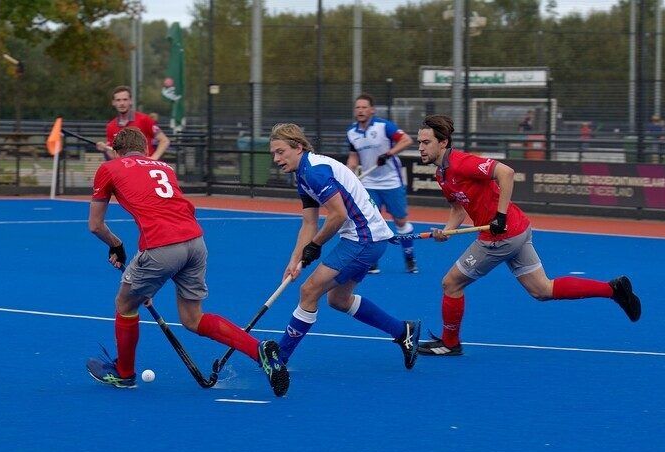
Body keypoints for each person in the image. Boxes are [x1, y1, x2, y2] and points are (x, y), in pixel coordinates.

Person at [415, 115, 642, 356]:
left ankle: (450, 343)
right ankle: (614, 289)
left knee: (451, 283)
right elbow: (458, 208)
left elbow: (506, 173)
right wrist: (447, 231)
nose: (420, 147)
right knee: (542, 290)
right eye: (419, 142)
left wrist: (500, 216)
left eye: (426, 142)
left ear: (443, 143)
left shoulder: (462, 163)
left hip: (501, 236)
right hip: (518, 229)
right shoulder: (442, 174)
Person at [86, 127, 289, 396]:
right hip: (195, 242)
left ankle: (124, 373)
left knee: (125, 304)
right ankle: (258, 349)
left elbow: (96, 226)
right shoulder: (164, 167)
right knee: (193, 318)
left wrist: (116, 245)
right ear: (146, 149)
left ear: (116, 151)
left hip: (161, 247)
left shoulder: (110, 167)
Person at [269, 123, 421, 368]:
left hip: (364, 238)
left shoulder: (315, 171)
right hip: (364, 238)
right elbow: (309, 223)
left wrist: (316, 245)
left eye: (280, 151)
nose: (276, 159)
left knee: (309, 291)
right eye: (273, 154)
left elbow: (337, 215)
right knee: (338, 300)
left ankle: (280, 358)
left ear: (297, 147)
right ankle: (403, 331)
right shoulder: (303, 174)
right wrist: (294, 260)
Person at [346, 93, 417, 274]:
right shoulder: (352, 133)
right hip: (369, 184)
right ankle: (372, 262)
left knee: (401, 222)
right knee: (371, 222)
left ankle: (409, 258)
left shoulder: (384, 126)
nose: (360, 110)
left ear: (372, 110)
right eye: (358, 107)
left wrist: (389, 154)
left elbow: (407, 140)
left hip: (391, 182)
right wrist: (348, 175)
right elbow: (354, 158)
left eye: (364, 107)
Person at [96, 86, 170, 161]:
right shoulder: (111, 126)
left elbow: (164, 140)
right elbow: (114, 156)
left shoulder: (144, 119)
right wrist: (105, 149)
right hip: (126, 169)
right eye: (118, 100)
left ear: (131, 101)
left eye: (125, 99)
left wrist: (154, 158)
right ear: (113, 103)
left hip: (145, 168)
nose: (122, 103)